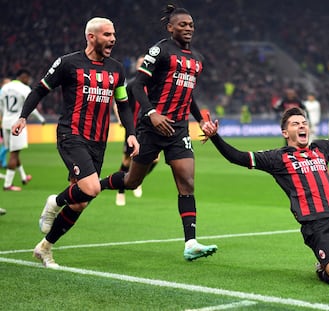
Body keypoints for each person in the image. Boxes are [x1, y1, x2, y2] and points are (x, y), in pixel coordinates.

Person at [202, 78, 329, 285]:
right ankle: (324, 268)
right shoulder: (277, 158)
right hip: (317, 226)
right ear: (285, 133)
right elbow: (237, 157)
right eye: (296, 124)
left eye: (304, 123)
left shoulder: (321, 148)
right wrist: (215, 137)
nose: (302, 126)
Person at [11, 17, 139, 268]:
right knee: (91, 188)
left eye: (114, 34)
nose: (113, 39)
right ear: (91, 37)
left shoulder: (116, 69)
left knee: (79, 202)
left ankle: (44, 248)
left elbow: (123, 104)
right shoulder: (68, 63)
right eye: (107, 34)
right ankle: (54, 202)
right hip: (72, 134)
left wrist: (131, 133)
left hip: (98, 141)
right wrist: (24, 116)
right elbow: (39, 90)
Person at [100, 5, 217, 261]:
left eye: (191, 25)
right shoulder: (160, 50)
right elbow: (137, 85)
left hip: (178, 129)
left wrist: (202, 121)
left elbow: (189, 96)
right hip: (151, 127)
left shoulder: (197, 59)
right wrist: (152, 113)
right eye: (183, 25)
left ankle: (191, 243)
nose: (188, 28)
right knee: (132, 181)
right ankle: (93, 186)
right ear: (170, 27)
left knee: (187, 183)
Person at [113, 54, 159, 206]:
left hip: (150, 128)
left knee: (155, 159)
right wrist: (121, 120)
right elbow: (119, 104)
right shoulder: (132, 85)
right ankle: (120, 192)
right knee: (127, 160)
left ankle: (138, 179)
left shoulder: (154, 84)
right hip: (134, 128)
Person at [0, 69, 46, 191]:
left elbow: (1, 106)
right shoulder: (25, 89)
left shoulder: (5, 87)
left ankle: (24, 177)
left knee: (13, 151)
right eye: (28, 78)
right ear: (24, 77)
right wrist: (41, 119)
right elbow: (32, 106)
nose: (29, 81)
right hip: (17, 124)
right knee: (14, 154)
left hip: (5, 123)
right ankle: (7, 185)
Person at [0, 77, 12, 169]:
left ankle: (3, 162)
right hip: (3, 122)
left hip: (4, 121)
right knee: (6, 145)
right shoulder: (2, 93)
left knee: (5, 144)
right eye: (7, 83)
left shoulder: (7, 93)